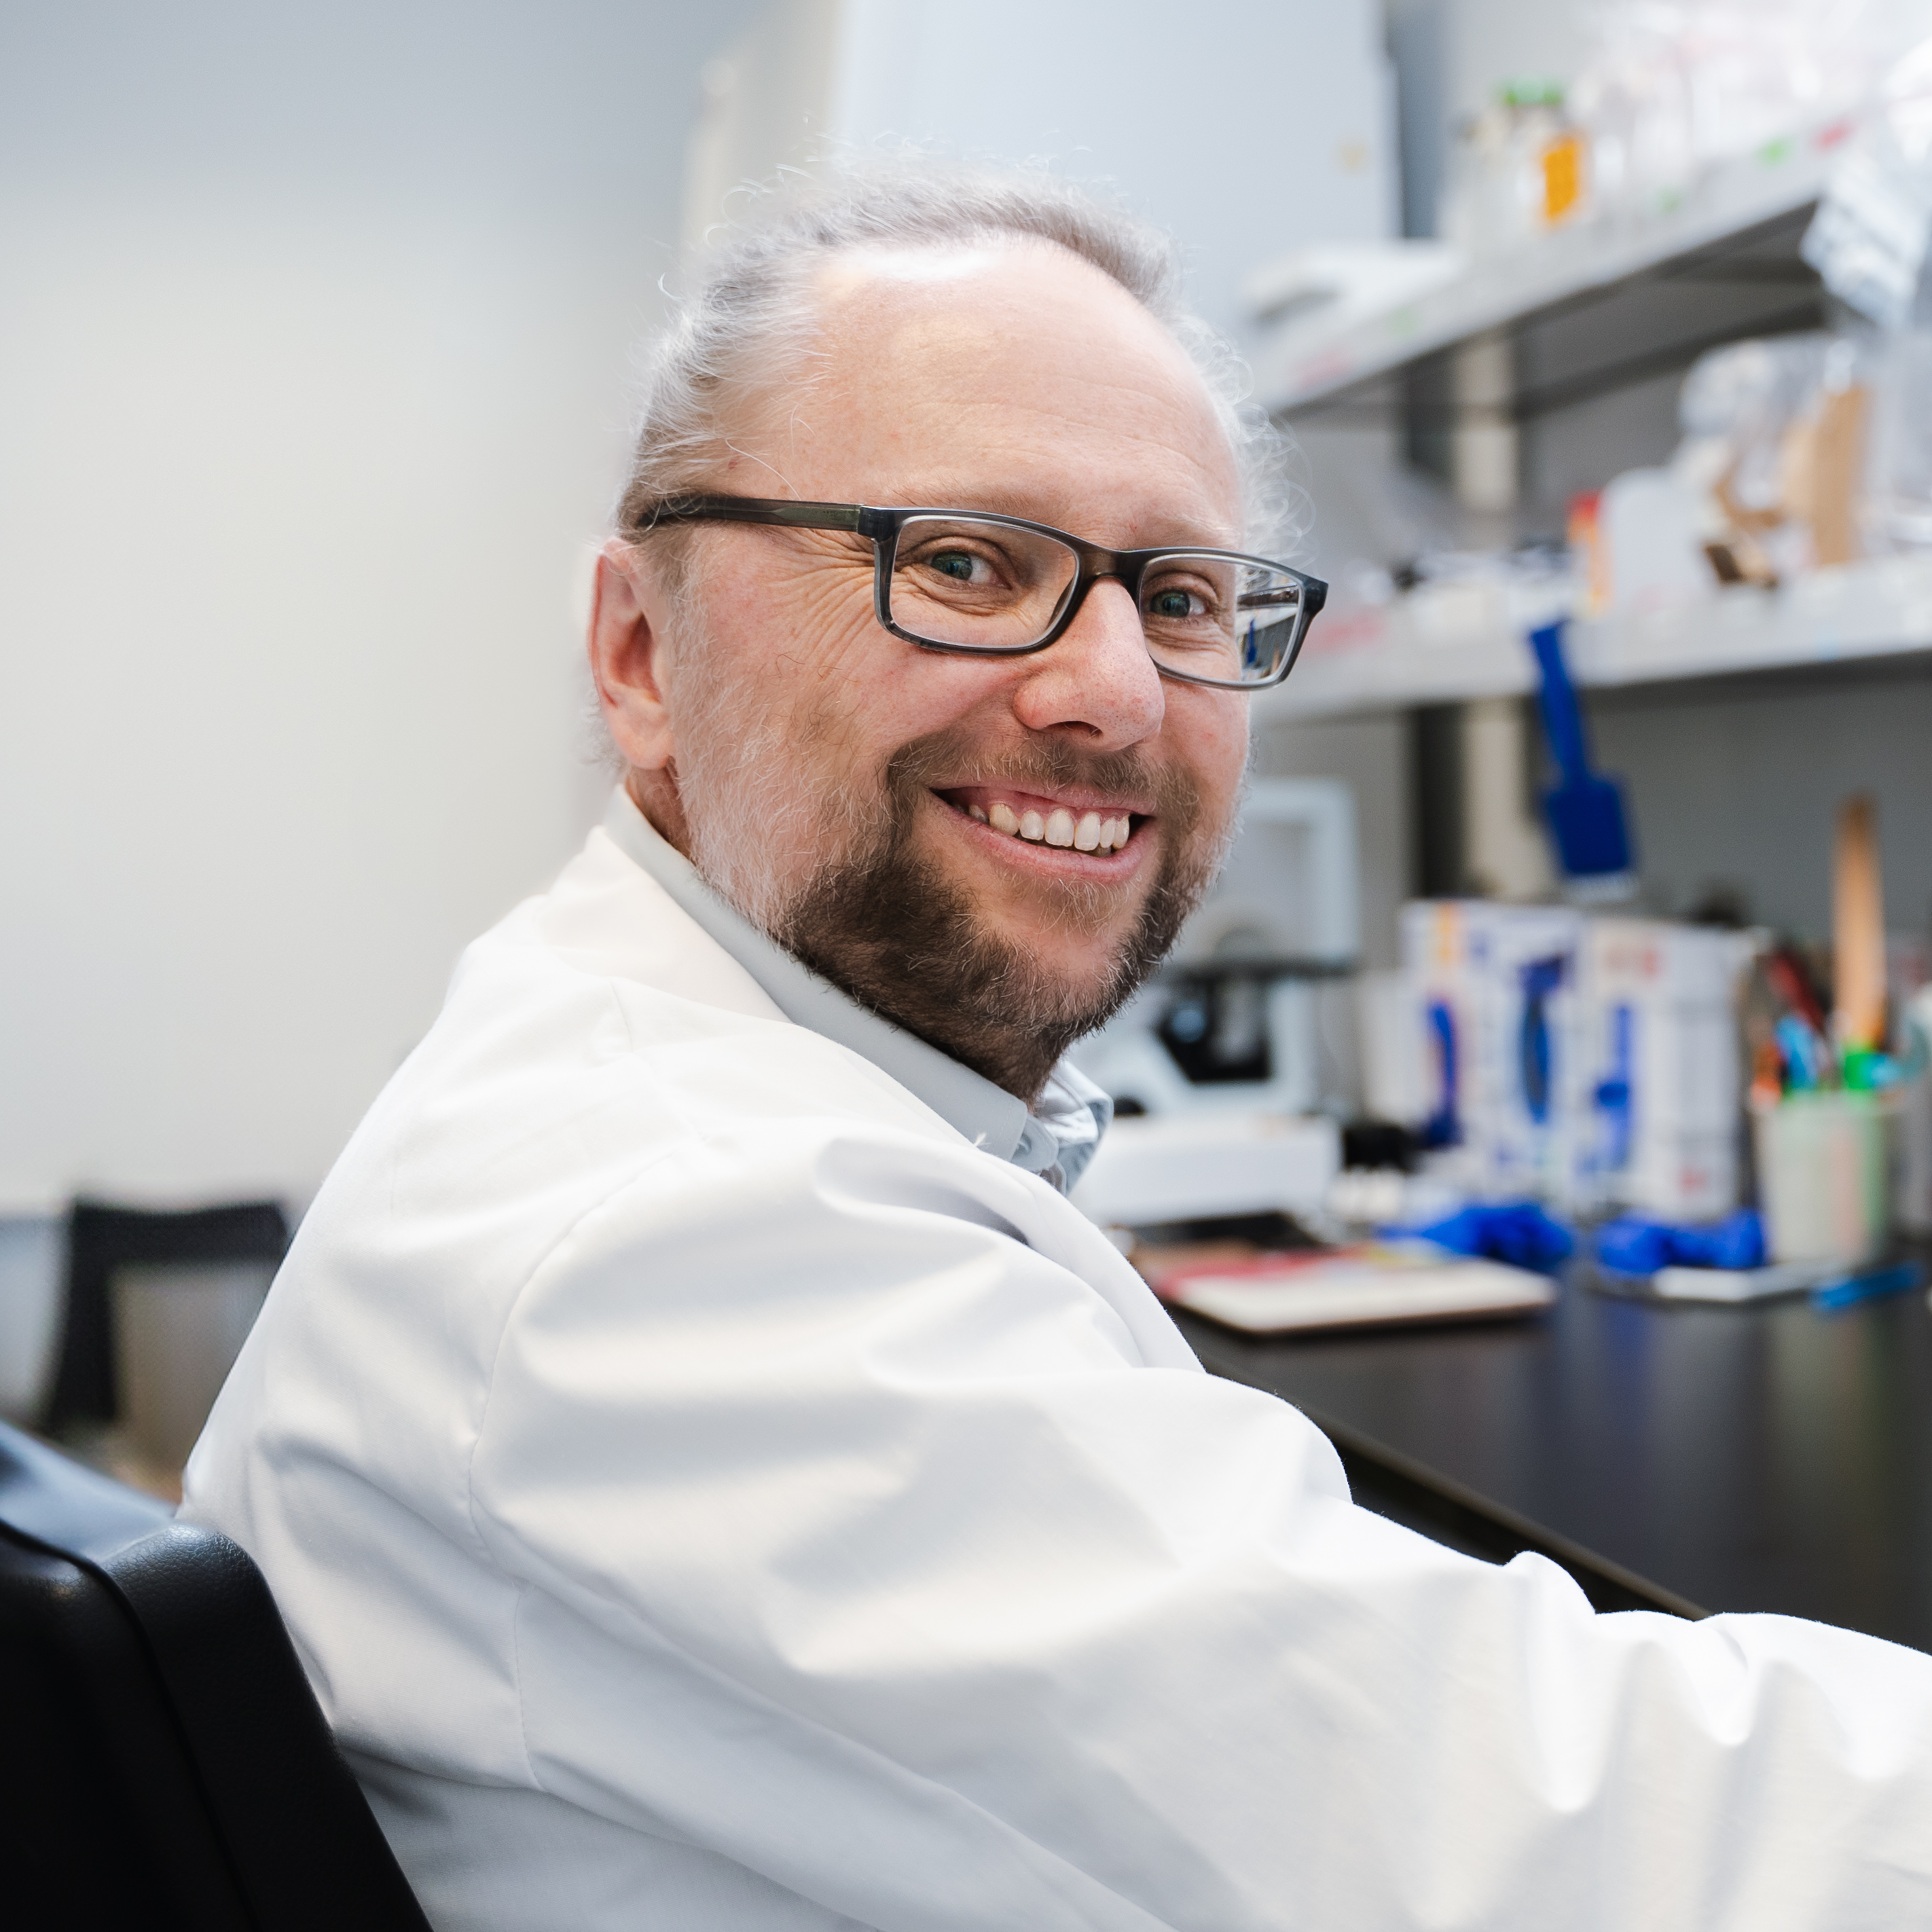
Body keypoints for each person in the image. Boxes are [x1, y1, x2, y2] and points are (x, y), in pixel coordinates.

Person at [182, 164, 1932, 1931]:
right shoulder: (667, 1241)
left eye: (1177, 596)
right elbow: (1529, 1827)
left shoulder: (665, 1089)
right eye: (959, 561)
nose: (1109, 688)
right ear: (642, 652)